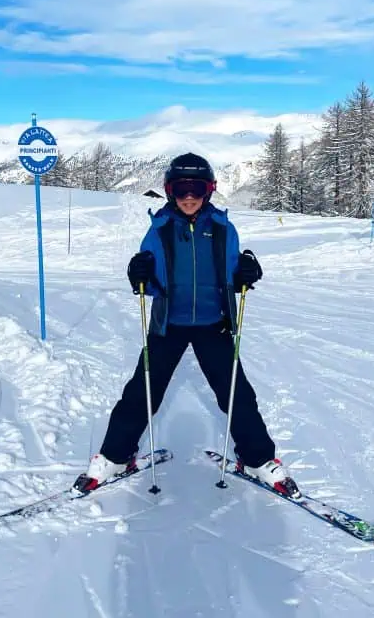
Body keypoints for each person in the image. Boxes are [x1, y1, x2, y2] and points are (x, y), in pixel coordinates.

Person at [72, 152, 299, 496]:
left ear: (209, 190)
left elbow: (235, 270)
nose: (189, 196)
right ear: (169, 191)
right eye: (181, 189)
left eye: (196, 188)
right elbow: (148, 276)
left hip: (215, 324)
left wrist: (247, 269)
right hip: (169, 324)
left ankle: (257, 459)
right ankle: (116, 456)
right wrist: (139, 273)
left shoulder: (223, 228)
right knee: (142, 392)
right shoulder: (159, 229)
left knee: (237, 393)